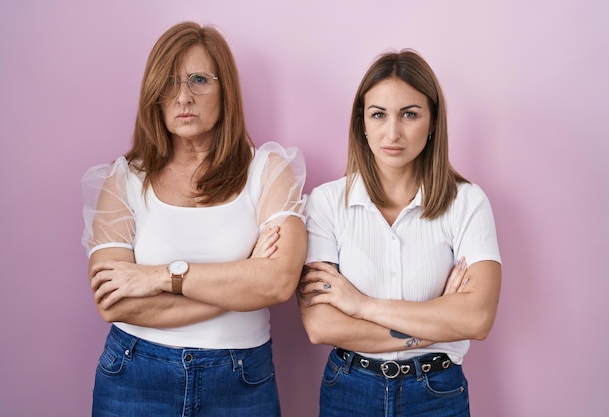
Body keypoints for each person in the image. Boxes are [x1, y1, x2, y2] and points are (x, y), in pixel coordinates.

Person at [81, 21, 307, 417]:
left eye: (199, 79)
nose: (183, 96)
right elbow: (112, 302)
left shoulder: (269, 169)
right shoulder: (124, 178)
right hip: (135, 374)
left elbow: (278, 283)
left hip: (241, 380)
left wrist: (160, 277)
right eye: (169, 83)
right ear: (155, 95)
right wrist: (243, 278)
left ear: (226, 91)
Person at [298, 49, 502, 417]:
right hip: (349, 389)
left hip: (437, 392)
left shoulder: (467, 202)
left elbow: (477, 319)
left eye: (409, 114)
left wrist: (361, 305)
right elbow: (321, 324)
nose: (393, 132)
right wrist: (437, 325)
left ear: (433, 121)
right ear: (362, 122)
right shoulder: (327, 203)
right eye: (378, 114)